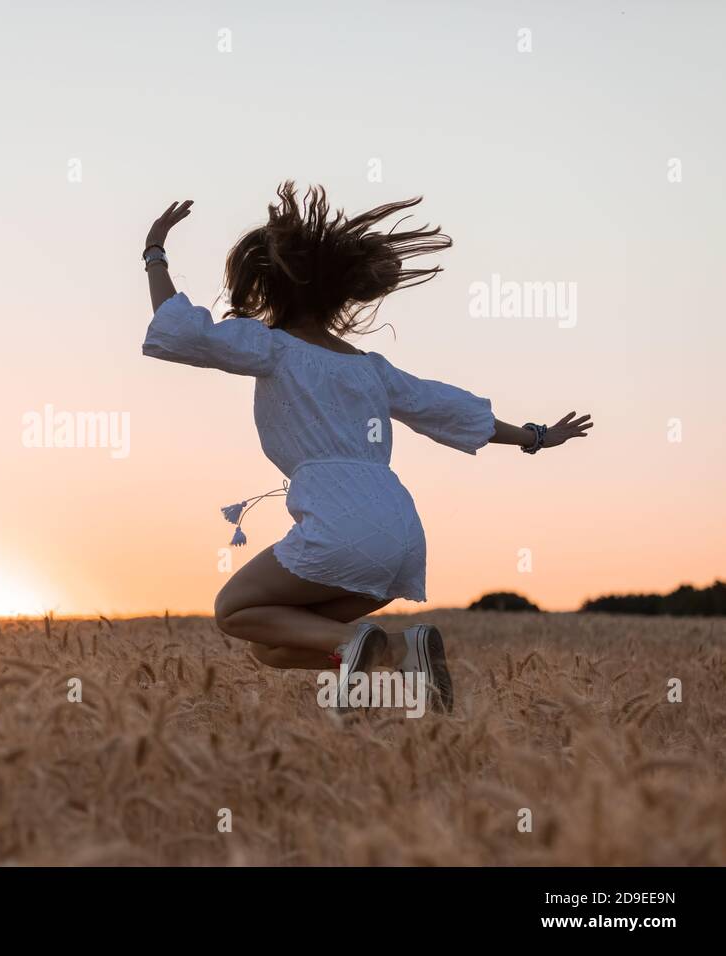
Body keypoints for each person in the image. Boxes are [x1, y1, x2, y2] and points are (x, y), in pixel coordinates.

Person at [140, 183, 592, 711]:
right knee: (272, 645)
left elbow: (180, 333)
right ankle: (404, 653)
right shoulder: (371, 370)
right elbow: (448, 409)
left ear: (270, 289)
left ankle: (357, 645)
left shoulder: (272, 348)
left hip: (339, 524)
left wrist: (155, 253)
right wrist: (535, 437)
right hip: (399, 533)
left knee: (233, 611)